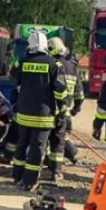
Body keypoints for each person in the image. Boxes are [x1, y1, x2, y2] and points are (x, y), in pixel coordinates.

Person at [10, 31, 67, 191]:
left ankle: (17, 176)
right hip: (44, 116)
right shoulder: (53, 64)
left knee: (21, 145)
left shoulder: (22, 62)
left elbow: (14, 82)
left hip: (23, 114)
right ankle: (29, 181)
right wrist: (62, 107)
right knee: (37, 149)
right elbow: (60, 90)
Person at [45, 37, 83, 181]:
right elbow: (80, 94)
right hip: (65, 113)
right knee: (59, 142)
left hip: (49, 112)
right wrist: (75, 110)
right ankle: (57, 172)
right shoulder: (72, 68)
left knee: (44, 140)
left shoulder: (51, 65)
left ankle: (47, 164)